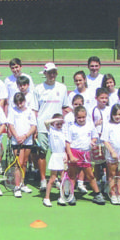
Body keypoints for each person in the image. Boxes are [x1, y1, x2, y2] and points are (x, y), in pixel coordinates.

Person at [34, 62, 70, 191]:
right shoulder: (38, 89)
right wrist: (35, 128)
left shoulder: (62, 88)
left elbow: (66, 107)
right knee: (42, 154)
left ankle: (59, 179)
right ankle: (44, 180)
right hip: (43, 127)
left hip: (58, 128)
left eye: (54, 72)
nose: (52, 75)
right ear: (45, 74)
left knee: (59, 154)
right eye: (49, 72)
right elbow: (35, 110)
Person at [64, 106, 104, 205]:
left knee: (90, 175)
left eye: (83, 117)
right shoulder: (72, 128)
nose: (81, 119)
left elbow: (94, 137)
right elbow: (68, 143)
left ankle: (97, 194)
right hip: (74, 152)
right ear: (75, 117)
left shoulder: (90, 125)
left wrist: (92, 142)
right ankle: (71, 194)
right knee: (72, 175)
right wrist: (71, 156)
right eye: (79, 118)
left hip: (86, 153)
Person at [7, 92, 37, 198]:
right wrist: (17, 137)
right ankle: (17, 186)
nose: (20, 105)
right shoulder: (12, 111)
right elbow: (10, 125)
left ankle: (22, 183)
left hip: (27, 141)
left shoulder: (29, 111)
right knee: (18, 164)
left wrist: (25, 136)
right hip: (17, 141)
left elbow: (33, 126)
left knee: (24, 163)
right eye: (17, 103)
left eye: (21, 102)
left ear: (24, 101)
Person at [43, 114, 67, 207]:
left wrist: (66, 155)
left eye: (61, 123)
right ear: (53, 123)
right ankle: (46, 198)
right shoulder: (51, 130)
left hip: (63, 156)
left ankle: (61, 197)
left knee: (63, 179)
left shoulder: (63, 132)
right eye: (57, 123)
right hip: (55, 156)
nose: (59, 124)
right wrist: (56, 119)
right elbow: (45, 122)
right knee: (52, 179)